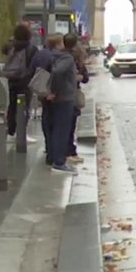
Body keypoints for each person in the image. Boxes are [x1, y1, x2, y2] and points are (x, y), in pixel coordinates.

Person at [45, 36, 79, 173]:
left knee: (56, 129)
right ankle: (59, 162)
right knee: (62, 130)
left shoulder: (55, 56)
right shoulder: (67, 58)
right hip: (64, 98)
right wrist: (55, 91)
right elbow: (57, 72)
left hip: (60, 97)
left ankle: (55, 158)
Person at [3, 23, 39, 141]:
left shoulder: (11, 46)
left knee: (12, 106)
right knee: (24, 107)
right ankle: (22, 133)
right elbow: (34, 64)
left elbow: (3, 49)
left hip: (12, 80)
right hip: (25, 82)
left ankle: (11, 132)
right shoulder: (31, 48)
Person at [31, 34, 63, 164]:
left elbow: (32, 70)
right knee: (55, 123)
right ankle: (52, 152)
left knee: (46, 119)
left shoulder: (39, 54)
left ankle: (48, 147)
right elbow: (56, 75)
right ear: (57, 44)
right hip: (52, 92)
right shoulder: (55, 57)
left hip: (42, 92)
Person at [64, 32, 89, 163]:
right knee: (70, 124)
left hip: (61, 93)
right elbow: (85, 78)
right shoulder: (76, 57)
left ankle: (67, 150)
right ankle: (69, 151)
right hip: (71, 94)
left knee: (65, 124)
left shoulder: (60, 55)